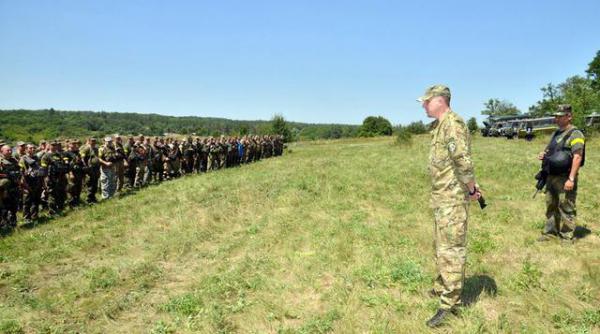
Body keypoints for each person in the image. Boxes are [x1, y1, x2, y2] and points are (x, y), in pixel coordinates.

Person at [418, 85, 482, 327]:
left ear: (440, 101)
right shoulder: (439, 126)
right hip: (442, 197)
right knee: (442, 246)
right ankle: (442, 286)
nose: (424, 105)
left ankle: (450, 304)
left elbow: (462, 160)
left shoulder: (453, 124)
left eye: (427, 101)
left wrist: (472, 188)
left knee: (451, 249)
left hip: (453, 198)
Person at [537, 104, 585, 243]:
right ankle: (550, 233)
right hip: (551, 176)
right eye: (555, 116)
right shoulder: (556, 133)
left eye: (559, 116)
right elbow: (550, 150)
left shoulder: (576, 134)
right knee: (551, 204)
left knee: (566, 207)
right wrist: (543, 154)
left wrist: (571, 179)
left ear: (569, 116)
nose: (556, 118)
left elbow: (577, 156)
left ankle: (566, 236)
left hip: (565, 177)